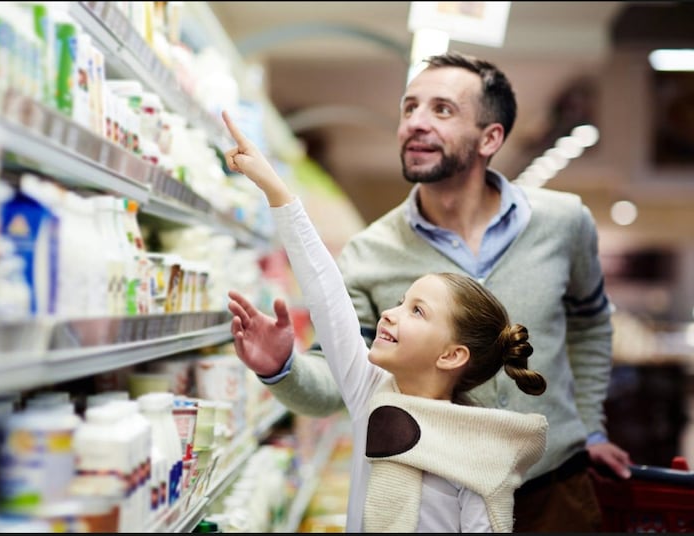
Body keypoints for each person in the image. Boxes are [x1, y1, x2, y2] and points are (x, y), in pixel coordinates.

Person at [226, 51, 633, 532]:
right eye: (408, 107)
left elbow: (590, 324)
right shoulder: (370, 254)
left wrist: (590, 426)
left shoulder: (565, 223)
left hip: (558, 486)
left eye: (441, 109)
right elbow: (334, 343)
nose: (415, 122)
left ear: (490, 137)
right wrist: (283, 368)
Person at [222, 108, 549, 532]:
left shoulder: (478, 453)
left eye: (417, 311)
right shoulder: (371, 394)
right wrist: (275, 189)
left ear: (451, 355)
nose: (390, 314)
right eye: (401, 301)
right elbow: (327, 293)